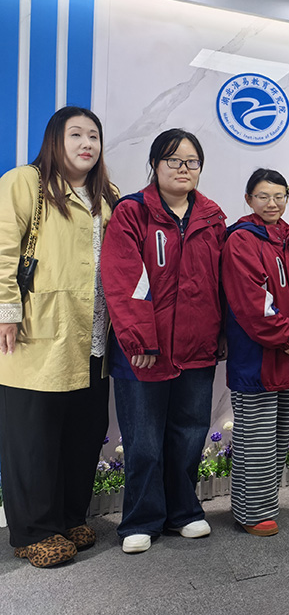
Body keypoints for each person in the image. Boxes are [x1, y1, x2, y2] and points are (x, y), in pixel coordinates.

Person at [0, 107, 118, 567]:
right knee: (34, 437)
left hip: (93, 337)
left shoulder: (108, 195)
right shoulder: (25, 183)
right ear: (55, 139)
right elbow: (3, 250)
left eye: (94, 136)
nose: (87, 143)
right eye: (76, 135)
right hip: (38, 332)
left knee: (83, 434)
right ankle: (33, 530)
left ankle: (70, 517)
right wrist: (6, 312)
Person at [102, 129, 227, 554]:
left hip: (197, 348)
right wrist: (139, 339)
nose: (183, 169)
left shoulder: (212, 216)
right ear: (155, 164)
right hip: (143, 351)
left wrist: (221, 334)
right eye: (174, 160)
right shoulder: (132, 212)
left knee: (190, 434)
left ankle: (183, 513)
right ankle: (140, 519)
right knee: (143, 440)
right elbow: (123, 280)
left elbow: (220, 284)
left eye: (192, 162)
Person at [222, 169, 289, 535]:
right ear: (249, 199)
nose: (272, 203)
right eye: (263, 196)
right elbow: (252, 302)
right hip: (257, 357)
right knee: (256, 439)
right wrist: (287, 338)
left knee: (278, 437)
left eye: (279, 196)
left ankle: (263, 504)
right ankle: (251, 513)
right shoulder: (241, 240)